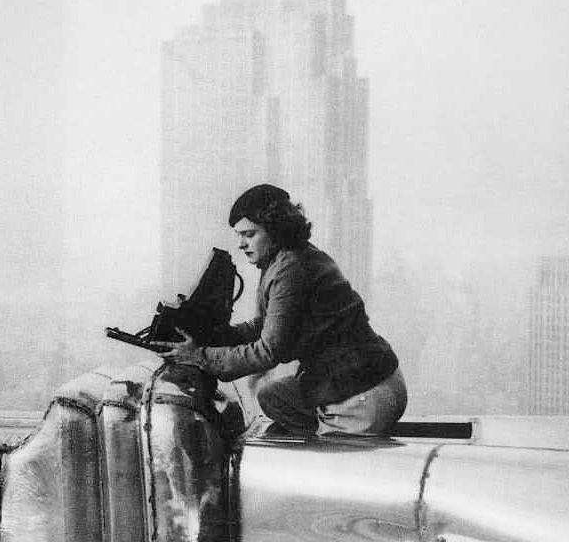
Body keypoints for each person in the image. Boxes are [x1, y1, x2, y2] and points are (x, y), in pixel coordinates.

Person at [161, 184, 407, 437]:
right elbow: (269, 323)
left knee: (314, 461)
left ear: (276, 229)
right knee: (273, 397)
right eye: (239, 235)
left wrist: (200, 356)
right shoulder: (292, 258)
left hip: (362, 396)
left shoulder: (290, 269)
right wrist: (219, 338)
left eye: (249, 234)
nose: (241, 244)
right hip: (375, 379)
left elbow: (268, 352)